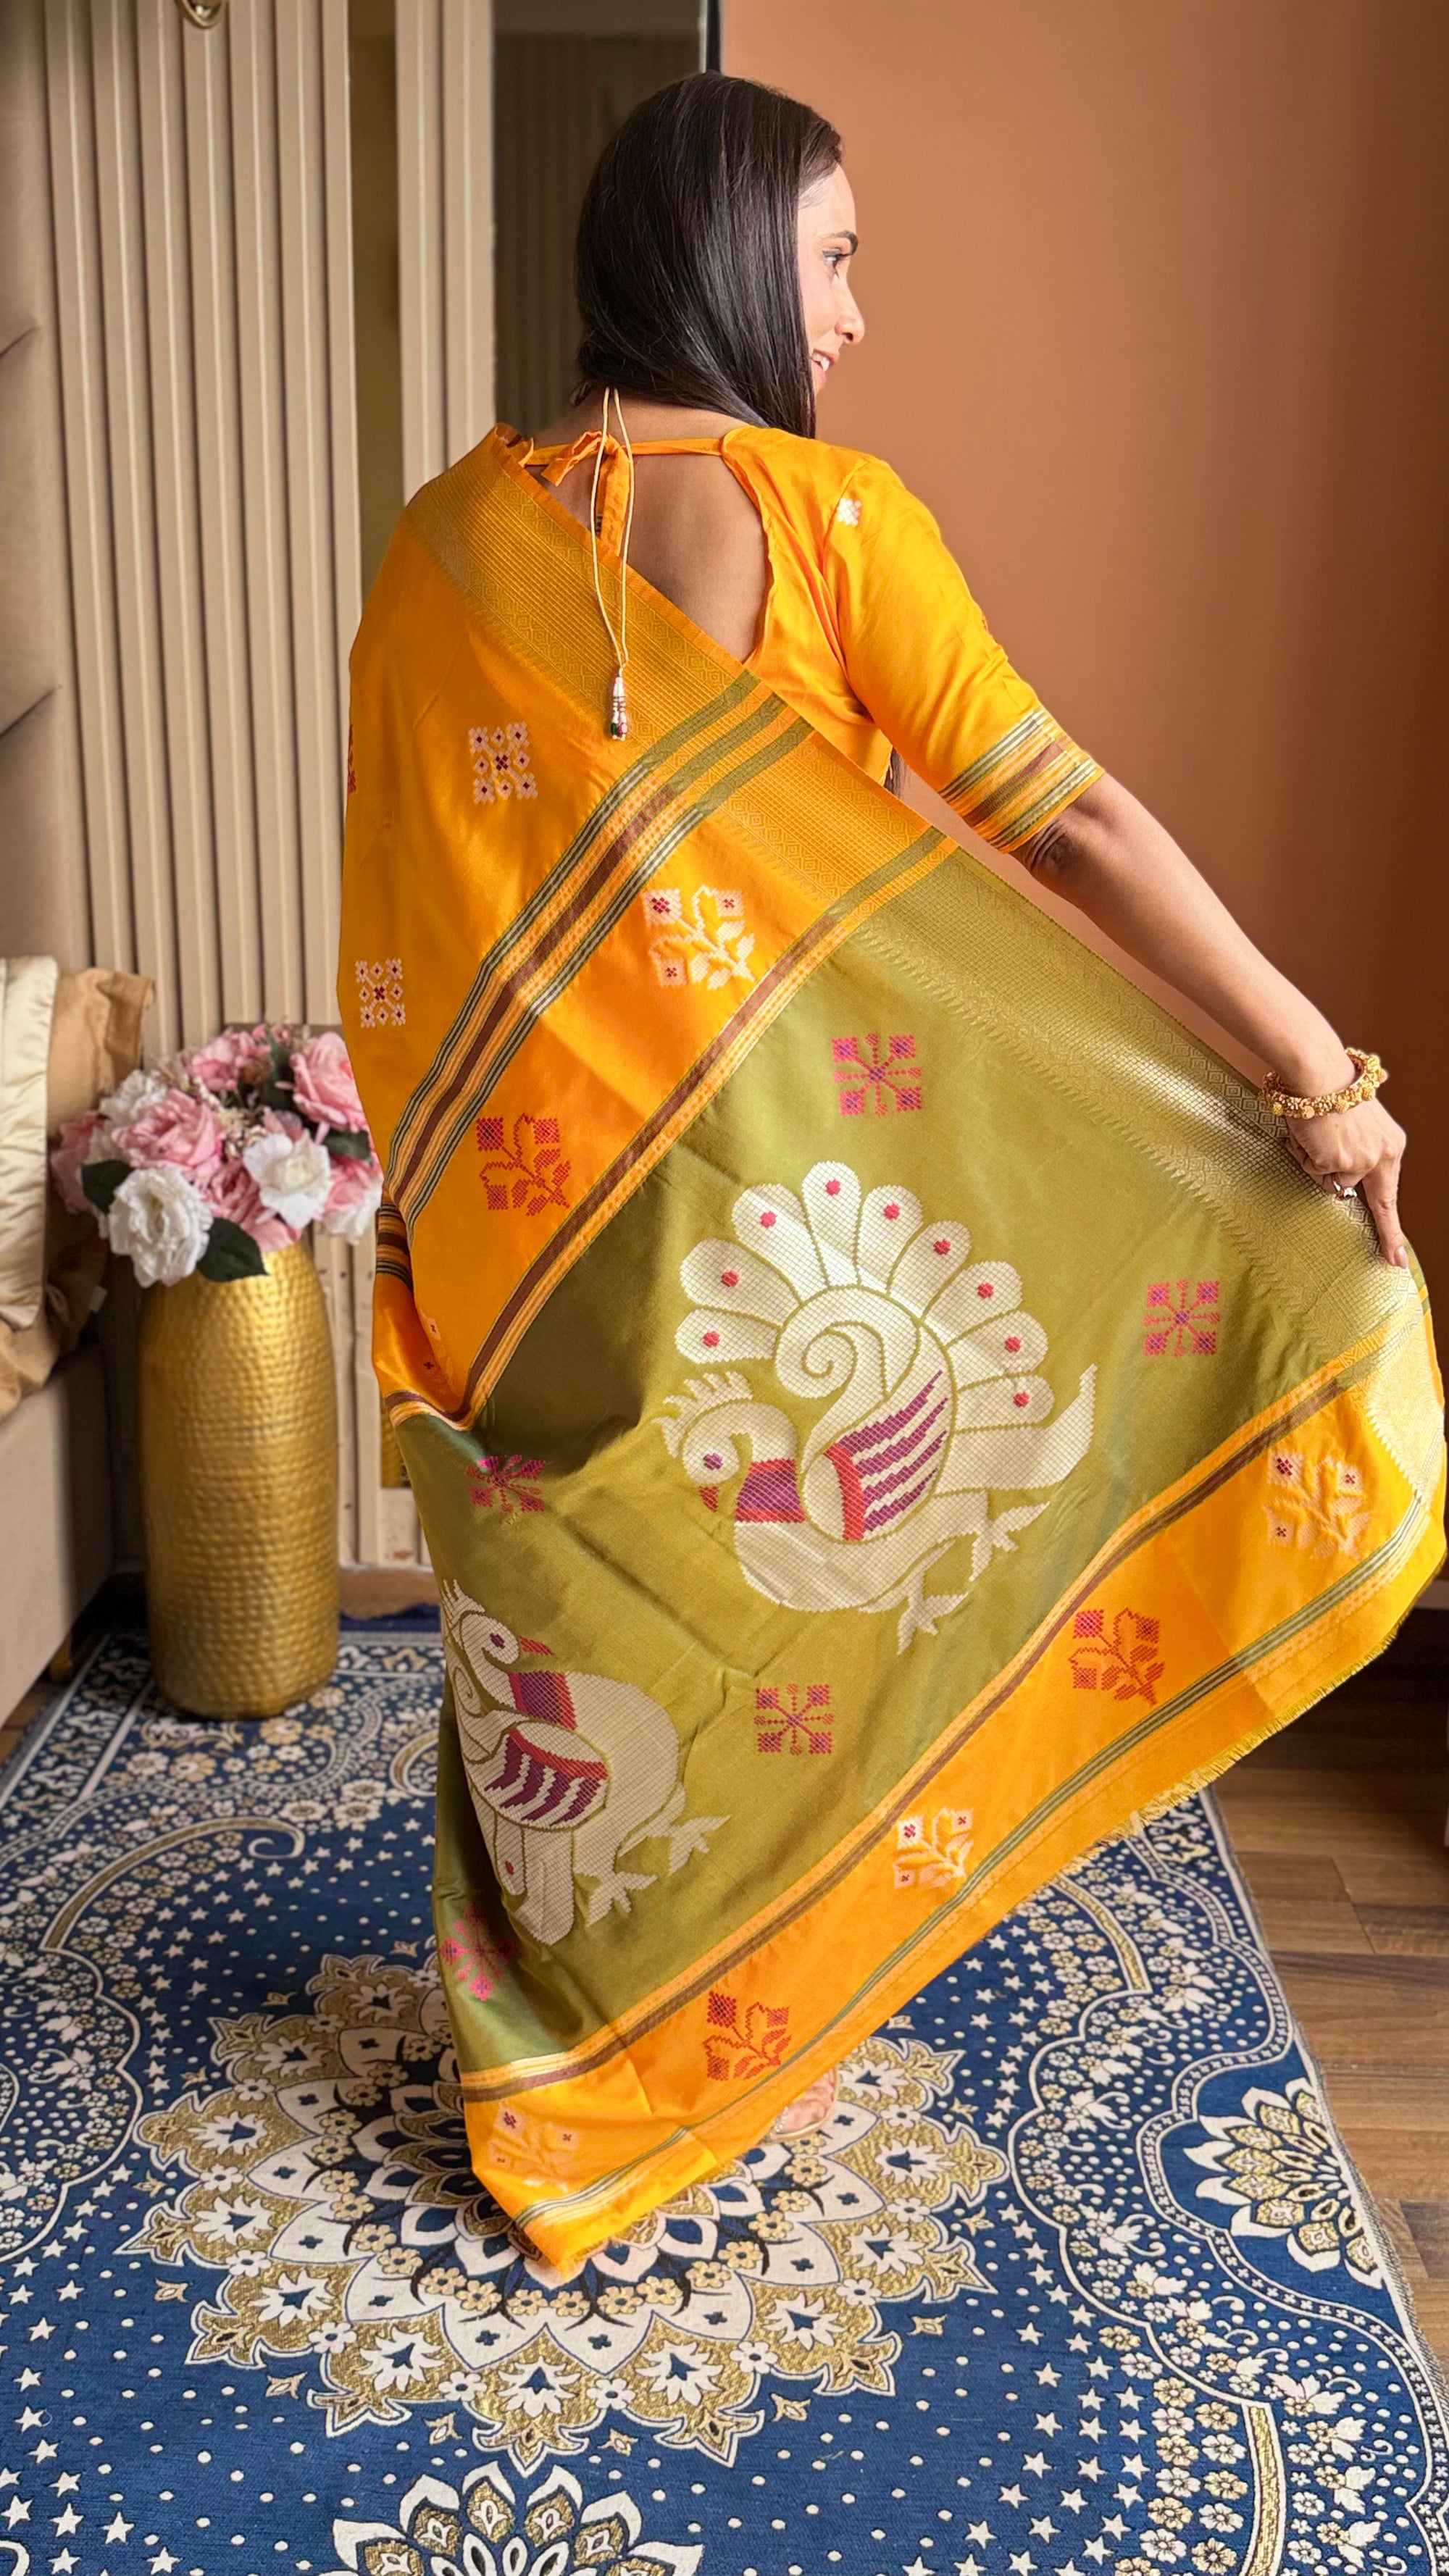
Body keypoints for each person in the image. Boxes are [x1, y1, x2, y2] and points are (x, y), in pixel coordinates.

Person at [339, 72, 1442, 2270]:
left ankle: (584, 2044)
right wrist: (1321, 1072)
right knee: (812, 1594)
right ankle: (758, 2000)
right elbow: (1073, 823)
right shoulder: (831, 521)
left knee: (623, 1629)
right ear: (734, 257)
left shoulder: (450, 543)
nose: (851, 315)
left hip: (554, 1219)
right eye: (834, 257)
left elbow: (409, 908)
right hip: (793, 1214)